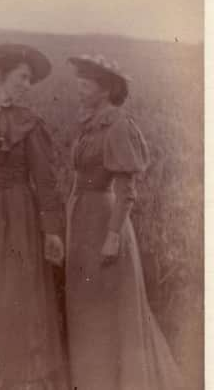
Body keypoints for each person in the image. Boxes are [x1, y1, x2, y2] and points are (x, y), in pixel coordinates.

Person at [66, 54, 183, 390]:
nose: (80, 85)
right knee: (87, 305)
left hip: (104, 220)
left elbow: (126, 189)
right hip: (82, 220)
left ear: (106, 89)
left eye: (87, 80)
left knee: (108, 306)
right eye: (80, 78)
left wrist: (113, 235)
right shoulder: (89, 122)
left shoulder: (116, 125)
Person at [0, 44, 69, 389]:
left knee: (17, 292)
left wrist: (52, 230)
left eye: (29, 79)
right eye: (22, 77)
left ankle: (22, 375)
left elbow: (46, 180)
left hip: (19, 215)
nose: (27, 84)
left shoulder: (28, 123)